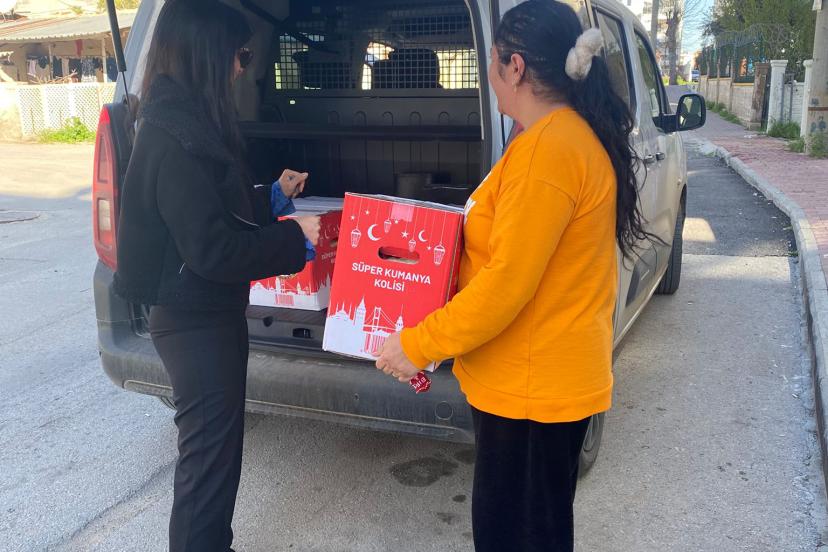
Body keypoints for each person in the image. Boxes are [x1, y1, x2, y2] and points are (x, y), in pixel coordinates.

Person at [374, 1, 652, 550]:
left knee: (516, 537)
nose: (489, 75)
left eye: (492, 61)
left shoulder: (548, 151)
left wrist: (418, 344)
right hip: (535, 383)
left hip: (531, 391)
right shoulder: (553, 137)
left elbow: (506, 285)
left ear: (515, 66)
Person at [112, 1, 320, 550]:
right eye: (239, 54)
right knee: (207, 466)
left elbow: (210, 212)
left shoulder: (185, 123)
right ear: (206, 54)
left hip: (207, 313)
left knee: (217, 459)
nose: (241, 67)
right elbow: (214, 250)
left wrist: (272, 197)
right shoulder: (173, 136)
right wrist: (294, 237)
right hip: (193, 321)